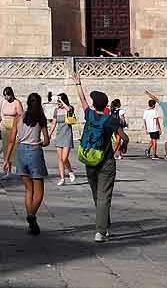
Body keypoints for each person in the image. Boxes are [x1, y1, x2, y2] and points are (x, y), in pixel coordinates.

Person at [73, 73, 127, 242]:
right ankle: (101, 231)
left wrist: (78, 83)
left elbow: (82, 100)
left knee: (97, 194)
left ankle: (104, 225)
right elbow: (124, 137)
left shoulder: (88, 114)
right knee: (104, 196)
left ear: (94, 104)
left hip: (89, 159)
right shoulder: (110, 119)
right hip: (106, 161)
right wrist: (123, 145)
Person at [15, 93, 53, 235]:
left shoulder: (20, 117)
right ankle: (31, 216)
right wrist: (41, 143)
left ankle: (32, 224)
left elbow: (15, 136)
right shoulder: (40, 118)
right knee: (39, 191)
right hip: (34, 152)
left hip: (21, 152)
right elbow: (47, 140)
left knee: (28, 190)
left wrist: (7, 159)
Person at [0, 87, 24, 180]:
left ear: (12, 94)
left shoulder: (17, 103)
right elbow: (0, 115)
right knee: (6, 149)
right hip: (5, 128)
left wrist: (21, 130)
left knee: (16, 149)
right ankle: (8, 171)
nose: (6, 97)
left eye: (8, 95)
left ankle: (21, 170)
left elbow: (21, 116)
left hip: (15, 127)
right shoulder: (3, 102)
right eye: (5, 95)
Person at [52, 93, 78, 185]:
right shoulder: (56, 110)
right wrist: (50, 134)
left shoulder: (69, 108)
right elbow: (53, 123)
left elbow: (69, 110)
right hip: (59, 136)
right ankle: (62, 179)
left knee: (64, 158)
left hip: (67, 135)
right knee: (60, 159)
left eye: (59, 101)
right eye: (57, 101)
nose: (58, 103)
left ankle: (70, 171)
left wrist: (62, 102)